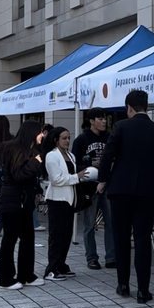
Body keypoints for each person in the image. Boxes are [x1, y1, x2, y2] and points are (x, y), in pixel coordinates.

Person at [97, 90, 154, 304]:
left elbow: (107, 156)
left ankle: (123, 284)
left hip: (120, 190)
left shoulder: (121, 127)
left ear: (129, 108)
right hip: (145, 192)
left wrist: (103, 180)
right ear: (147, 107)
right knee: (142, 239)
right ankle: (143, 290)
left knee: (121, 238)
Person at [0, 120, 45, 290]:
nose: (43, 135)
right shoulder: (16, 150)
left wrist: (37, 189)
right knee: (10, 239)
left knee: (28, 239)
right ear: (31, 133)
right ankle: (6, 278)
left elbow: (28, 178)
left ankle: (26, 275)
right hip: (13, 201)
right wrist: (35, 162)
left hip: (25, 202)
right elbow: (18, 176)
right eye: (40, 132)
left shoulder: (32, 151)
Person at [71, 108, 116, 270]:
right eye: (100, 118)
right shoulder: (82, 140)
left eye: (105, 118)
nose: (104, 121)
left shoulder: (110, 137)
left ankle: (111, 257)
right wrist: (90, 164)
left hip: (108, 184)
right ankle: (91, 257)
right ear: (91, 121)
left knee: (111, 222)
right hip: (89, 187)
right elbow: (74, 164)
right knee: (89, 223)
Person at [42, 126, 88, 281]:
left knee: (66, 234)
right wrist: (76, 177)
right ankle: (52, 268)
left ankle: (61, 264)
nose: (67, 141)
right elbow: (56, 179)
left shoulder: (70, 155)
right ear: (56, 140)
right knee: (57, 235)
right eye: (64, 138)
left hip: (69, 199)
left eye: (68, 138)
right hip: (56, 199)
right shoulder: (51, 156)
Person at [34, 123, 54, 233]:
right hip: (40, 176)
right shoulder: (38, 146)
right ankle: (34, 222)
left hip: (44, 176)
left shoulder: (50, 147)